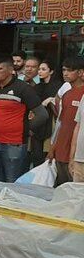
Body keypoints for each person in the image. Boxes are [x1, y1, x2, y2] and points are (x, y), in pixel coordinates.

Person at [0, 53, 47, 182]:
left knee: (12, 183)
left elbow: (42, 115)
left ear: (10, 70)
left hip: (14, 145)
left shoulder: (23, 88)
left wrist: (26, 128)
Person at [48, 56, 84, 185]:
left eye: (69, 70)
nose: (65, 73)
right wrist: (53, 147)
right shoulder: (67, 94)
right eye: (64, 70)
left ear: (80, 72)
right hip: (61, 150)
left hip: (78, 154)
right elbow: (60, 123)